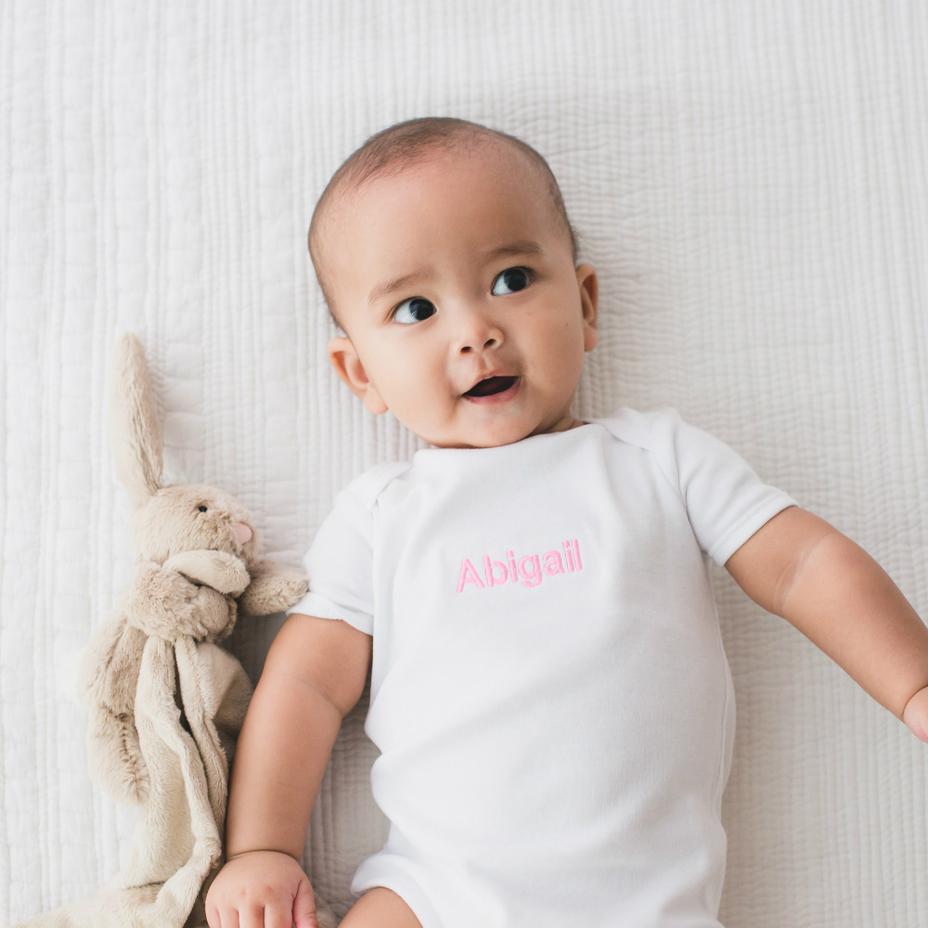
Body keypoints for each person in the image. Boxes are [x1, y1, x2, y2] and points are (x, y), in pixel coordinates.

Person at [205, 116, 928, 928]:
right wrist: (261, 848)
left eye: (511, 280)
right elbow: (304, 686)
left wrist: (913, 678)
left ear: (584, 304)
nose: (475, 331)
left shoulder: (659, 461)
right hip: (439, 894)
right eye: (416, 308)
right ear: (360, 372)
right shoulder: (382, 515)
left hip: (647, 905)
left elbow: (802, 566)